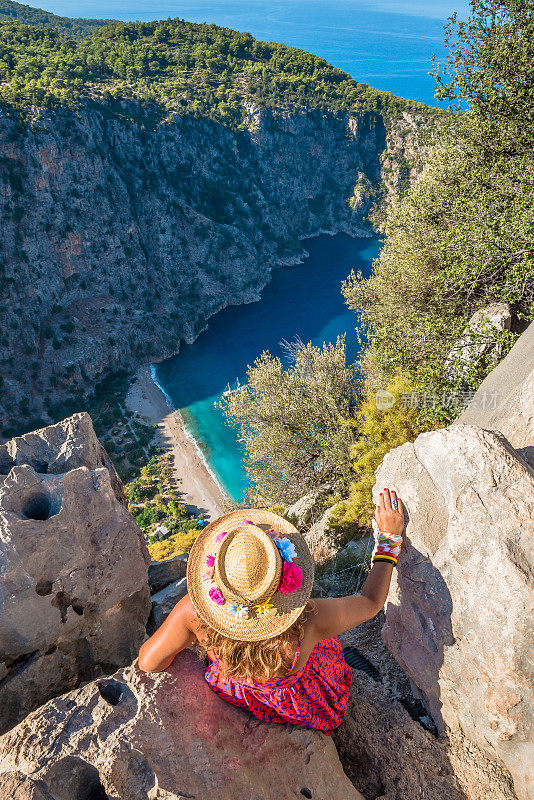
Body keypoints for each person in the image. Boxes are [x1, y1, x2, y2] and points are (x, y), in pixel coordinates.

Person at [138, 487, 404, 734]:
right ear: (282, 575)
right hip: (302, 703)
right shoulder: (309, 620)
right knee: (328, 650)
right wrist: (389, 540)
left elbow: (148, 662)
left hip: (242, 696)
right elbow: (370, 603)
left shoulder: (193, 613)